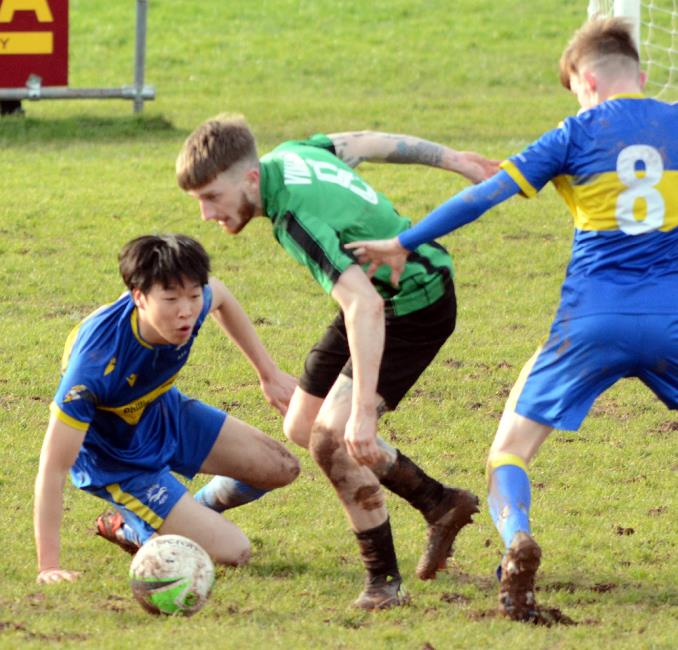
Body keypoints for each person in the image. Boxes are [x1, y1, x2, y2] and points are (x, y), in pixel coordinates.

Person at [347, 17, 678, 622]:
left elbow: (484, 196)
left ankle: (517, 540)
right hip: (672, 319)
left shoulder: (573, 133)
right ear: (643, 74)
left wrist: (404, 241)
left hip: (590, 323)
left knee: (509, 451)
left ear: (587, 81)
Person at [176, 121, 499, 609]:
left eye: (211, 196)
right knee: (304, 424)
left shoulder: (294, 219)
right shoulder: (291, 154)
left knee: (333, 437)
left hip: (412, 304)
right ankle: (438, 502)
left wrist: (363, 409)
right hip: (375, 293)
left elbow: (364, 307)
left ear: (247, 179)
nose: (206, 213)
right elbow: (368, 142)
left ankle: (383, 584)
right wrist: (455, 158)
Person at [34, 234, 300, 584]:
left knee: (281, 468)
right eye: (171, 299)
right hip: (117, 460)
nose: (186, 310)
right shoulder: (95, 365)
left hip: (162, 413)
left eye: (192, 295)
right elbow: (53, 467)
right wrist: (48, 566)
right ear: (139, 297)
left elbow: (219, 294)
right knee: (235, 551)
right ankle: (141, 526)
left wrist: (268, 372)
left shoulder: (193, 303)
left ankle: (177, 517)